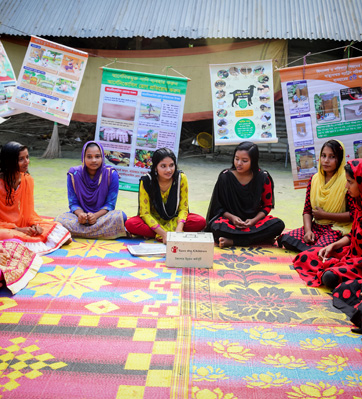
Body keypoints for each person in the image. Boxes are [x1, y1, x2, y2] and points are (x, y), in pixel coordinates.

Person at [293, 159, 362, 290]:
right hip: (350, 253)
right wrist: (333, 246)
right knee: (307, 255)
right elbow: (353, 235)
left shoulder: (354, 203)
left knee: (330, 277)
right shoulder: (359, 205)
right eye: (323, 156)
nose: (346, 186)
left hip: (357, 260)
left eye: (350, 182)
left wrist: (325, 215)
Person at [278, 140, 354, 252]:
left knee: (319, 248)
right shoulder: (314, 179)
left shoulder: (347, 181)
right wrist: (308, 231)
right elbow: (307, 211)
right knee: (286, 239)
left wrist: (325, 215)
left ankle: (320, 248)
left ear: (340, 159)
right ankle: (315, 247)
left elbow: (353, 214)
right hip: (317, 226)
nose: (326, 161)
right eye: (323, 156)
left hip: (336, 227)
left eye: (332, 157)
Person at [206, 141, 285, 248]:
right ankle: (259, 238)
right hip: (230, 222)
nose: (239, 163)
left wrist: (253, 221)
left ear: (253, 161)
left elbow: (267, 206)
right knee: (216, 227)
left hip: (254, 222)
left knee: (278, 225)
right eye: (236, 158)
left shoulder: (263, 178)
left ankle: (234, 241)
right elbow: (218, 207)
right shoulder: (225, 177)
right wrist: (233, 218)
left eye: (244, 160)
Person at [0, 141, 71, 255]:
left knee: (58, 228)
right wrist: (17, 229)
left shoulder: (27, 179)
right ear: (9, 161)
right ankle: (23, 242)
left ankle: (25, 242)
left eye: (27, 157)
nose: (26, 162)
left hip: (22, 226)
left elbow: (29, 212)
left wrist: (34, 225)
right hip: (6, 228)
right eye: (21, 159)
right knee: (6, 235)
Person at [125, 148, 206, 243]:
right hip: (154, 220)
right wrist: (163, 234)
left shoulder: (181, 178)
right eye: (163, 166)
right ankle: (161, 234)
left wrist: (179, 231)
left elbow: (183, 209)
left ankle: (154, 234)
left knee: (200, 222)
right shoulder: (147, 181)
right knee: (130, 224)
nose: (169, 170)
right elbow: (145, 213)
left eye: (171, 165)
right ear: (155, 167)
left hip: (174, 219)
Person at [56, 141, 127, 239]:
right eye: (89, 157)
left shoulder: (111, 174)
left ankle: (80, 232)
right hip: (80, 218)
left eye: (97, 156)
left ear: (102, 157)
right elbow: (73, 203)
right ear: (83, 158)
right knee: (59, 221)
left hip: (102, 216)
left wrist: (95, 216)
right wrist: (81, 215)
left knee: (121, 216)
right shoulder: (74, 174)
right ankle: (102, 233)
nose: (94, 160)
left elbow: (110, 204)